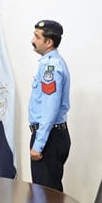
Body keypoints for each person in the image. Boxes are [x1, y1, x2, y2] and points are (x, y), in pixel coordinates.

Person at [28, 20, 70, 192]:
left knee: (45, 197)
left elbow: (50, 108)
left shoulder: (50, 66)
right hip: (50, 135)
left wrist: (39, 144)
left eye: (37, 37)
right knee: (46, 195)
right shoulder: (51, 62)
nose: (32, 40)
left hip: (49, 137)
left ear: (49, 42)